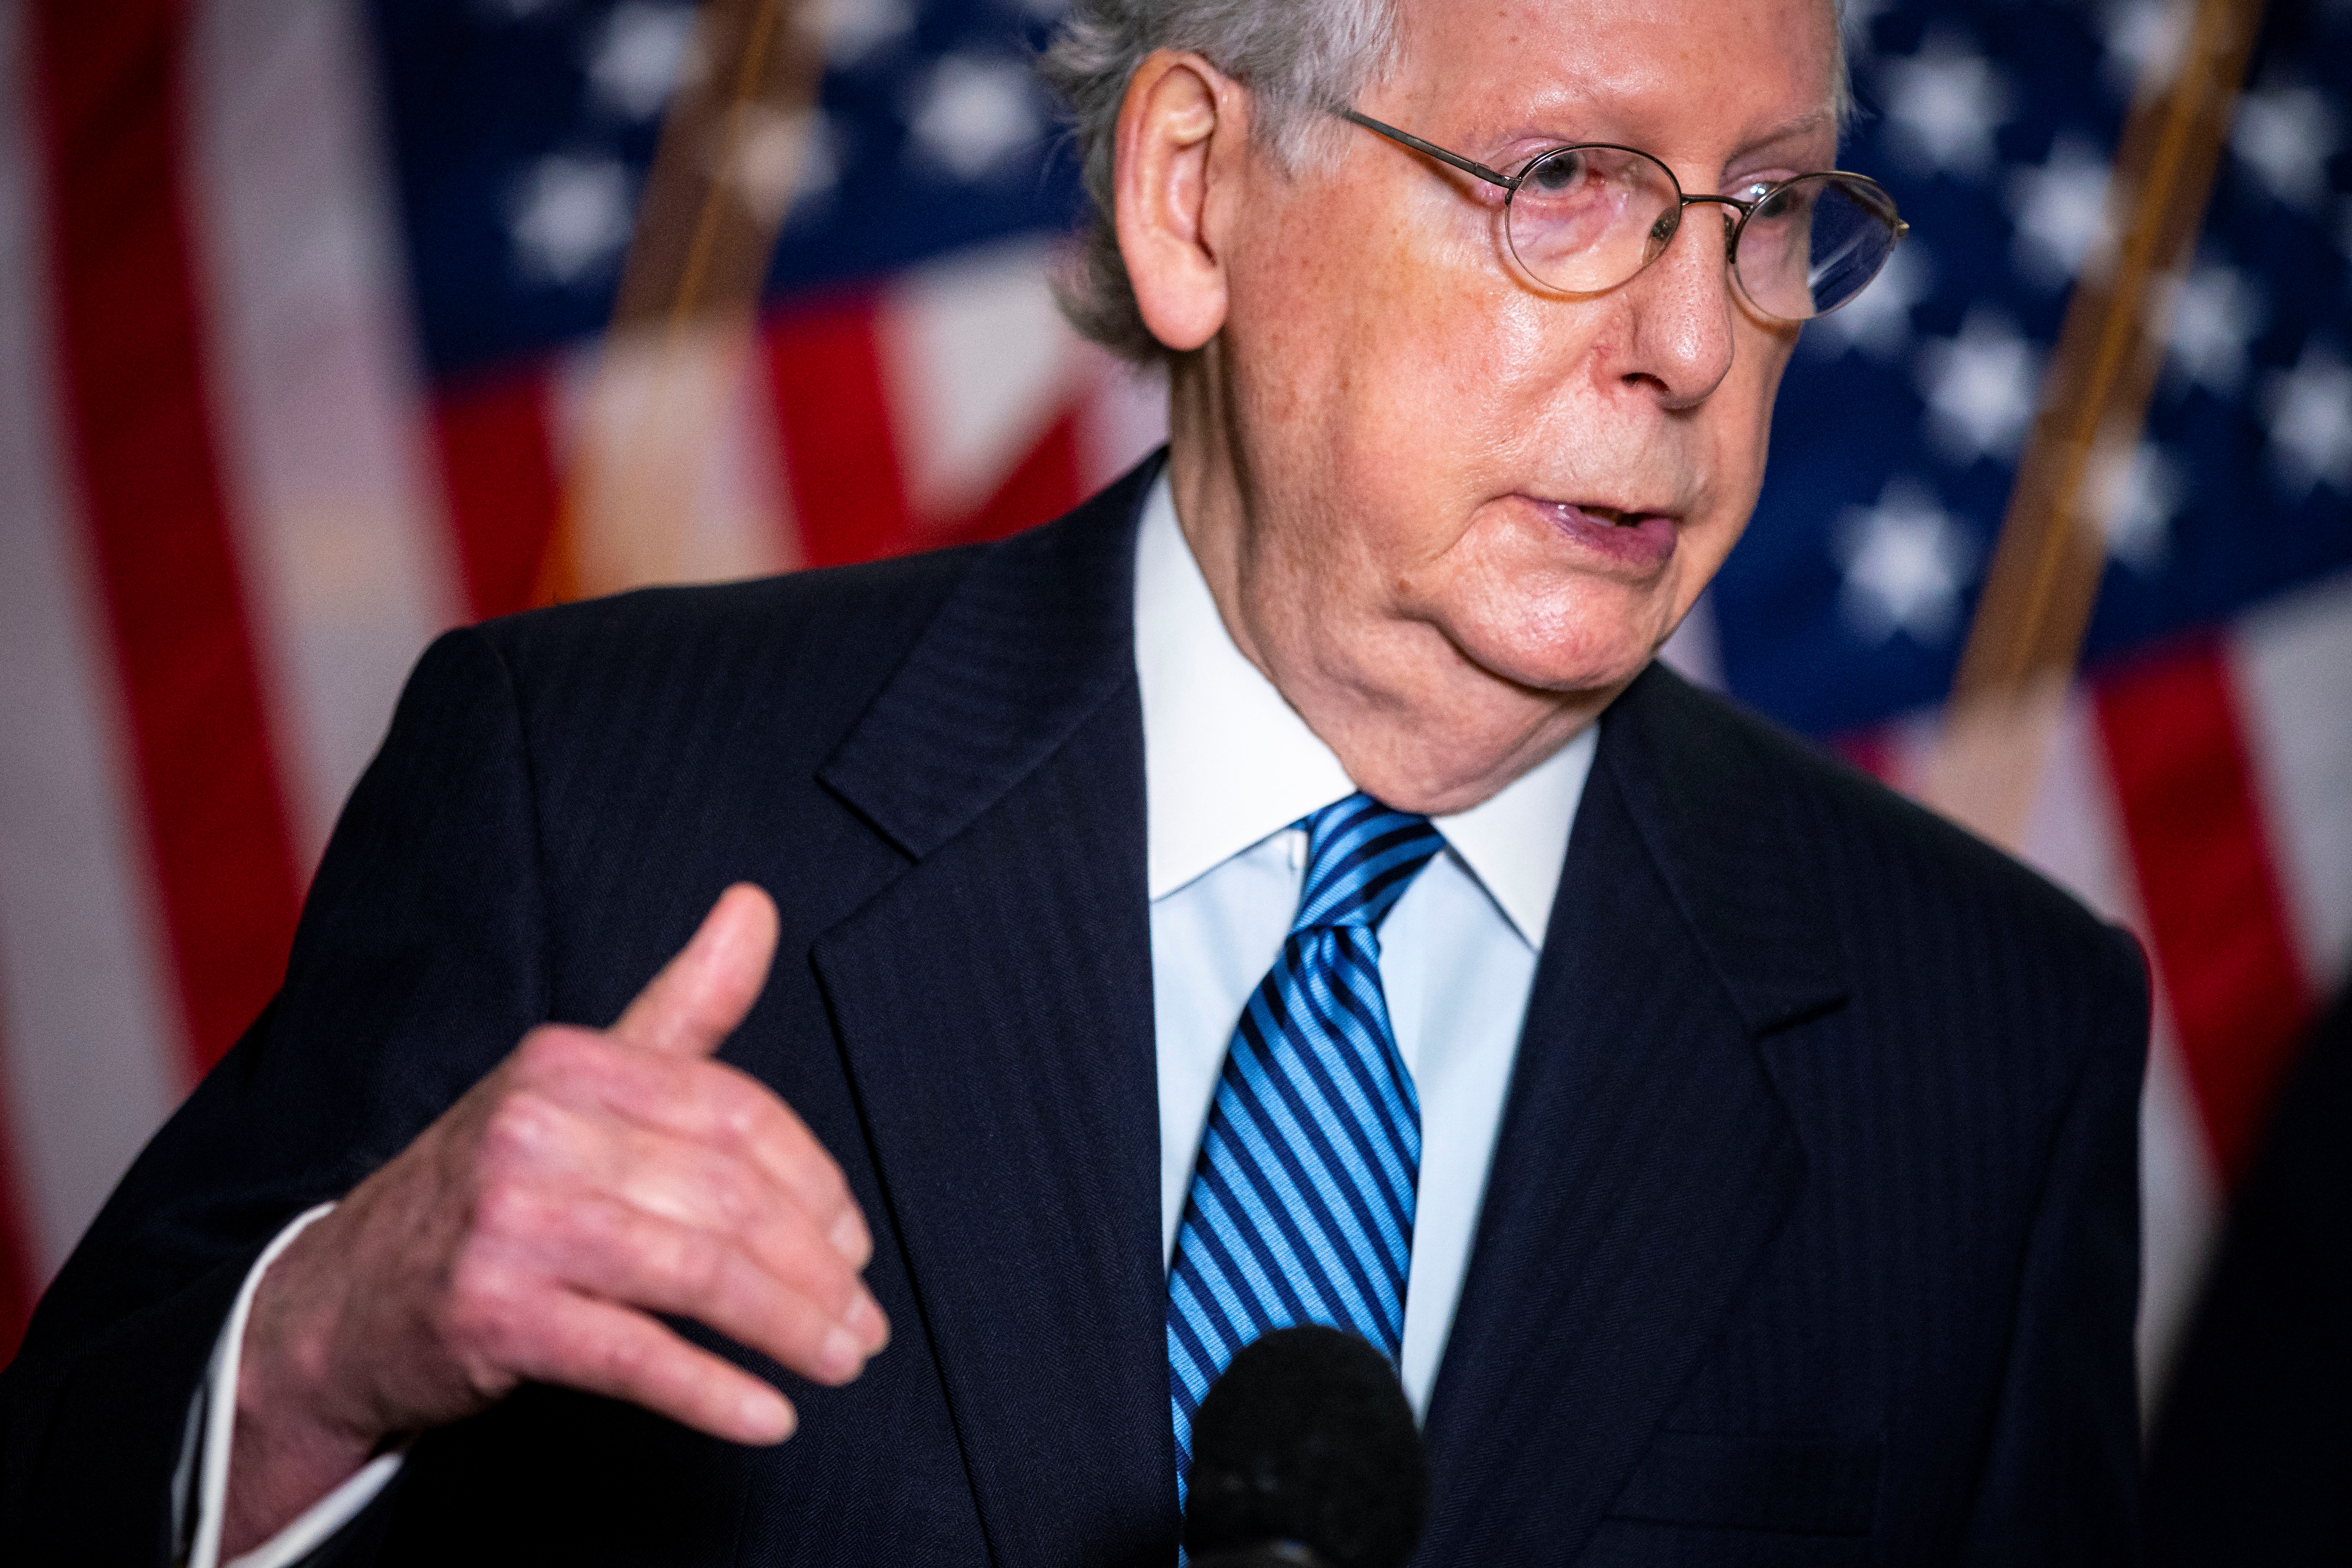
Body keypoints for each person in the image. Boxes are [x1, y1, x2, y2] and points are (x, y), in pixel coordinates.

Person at [0, 0, 2149, 1562]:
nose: (1689, 340)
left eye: (1765, 214)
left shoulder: (1986, 1042)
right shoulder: (588, 798)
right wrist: (334, 1343)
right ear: (1195, 194)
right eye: (1563, 183)